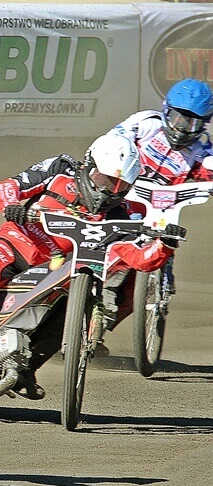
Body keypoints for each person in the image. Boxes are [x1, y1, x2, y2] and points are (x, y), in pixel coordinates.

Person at [0, 133, 187, 396]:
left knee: (71, 314)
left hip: (58, 271)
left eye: (120, 186)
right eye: (105, 180)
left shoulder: (126, 213)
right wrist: (12, 206)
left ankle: (25, 369)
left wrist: (165, 245)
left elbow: (138, 259)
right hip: (14, 245)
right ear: (89, 166)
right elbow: (7, 187)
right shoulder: (59, 170)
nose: (109, 191)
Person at [99, 78, 213, 332]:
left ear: (204, 124)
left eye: (192, 123)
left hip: (161, 214)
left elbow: (209, 168)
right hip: (122, 201)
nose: (182, 129)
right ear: (166, 111)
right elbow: (113, 140)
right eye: (178, 119)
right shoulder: (145, 123)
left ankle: (98, 330)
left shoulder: (201, 148)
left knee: (140, 286)